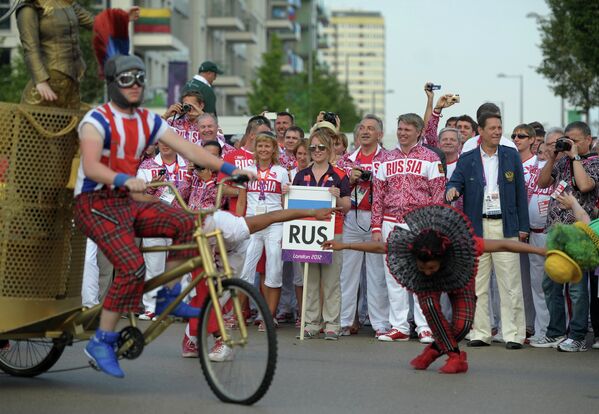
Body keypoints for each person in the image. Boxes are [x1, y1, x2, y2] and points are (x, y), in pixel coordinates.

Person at [73, 54, 254, 378]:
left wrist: (230, 169)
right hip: (95, 201)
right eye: (127, 79)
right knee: (131, 266)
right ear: (113, 83)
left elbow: (192, 150)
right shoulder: (96, 119)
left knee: (186, 222)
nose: (135, 85)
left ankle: (166, 295)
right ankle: (100, 341)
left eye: (140, 78)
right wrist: (122, 179)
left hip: (125, 200)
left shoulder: (147, 120)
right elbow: (90, 166)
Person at [323, 204, 546, 373]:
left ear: (442, 258)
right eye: (423, 266)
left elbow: (505, 244)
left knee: (463, 325)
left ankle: (434, 350)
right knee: (430, 305)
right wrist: (344, 245)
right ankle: (455, 356)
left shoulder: (462, 248)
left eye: (430, 267)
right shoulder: (413, 253)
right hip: (426, 287)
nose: (427, 270)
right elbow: (380, 246)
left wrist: (539, 251)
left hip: (458, 276)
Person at [446, 112, 529, 349]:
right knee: (478, 284)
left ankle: (513, 334)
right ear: (480, 131)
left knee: (510, 283)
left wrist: (523, 227)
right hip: (478, 227)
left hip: (506, 227)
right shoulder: (468, 158)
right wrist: (451, 190)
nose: (497, 131)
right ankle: (480, 332)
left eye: (499, 127)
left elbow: (520, 194)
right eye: (492, 128)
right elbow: (455, 182)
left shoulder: (511, 156)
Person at [371, 113, 446, 343]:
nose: (403, 133)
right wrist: (375, 226)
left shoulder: (431, 158)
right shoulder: (385, 159)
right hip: (390, 222)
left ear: (418, 132)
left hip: (420, 222)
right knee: (394, 275)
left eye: (407, 129)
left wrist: (434, 227)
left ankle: (425, 327)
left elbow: (438, 195)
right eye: (400, 128)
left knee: (421, 274)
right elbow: (378, 195)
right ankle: (400, 326)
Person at [534, 121, 599, 352]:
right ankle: (555, 332)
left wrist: (574, 157)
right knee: (550, 283)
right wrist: (553, 156)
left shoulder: (594, 162)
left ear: (588, 140)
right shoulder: (560, 162)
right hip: (556, 230)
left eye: (575, 140)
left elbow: (584, 186)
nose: (570, 143)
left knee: (576, 288)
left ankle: (578, 336)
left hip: (579, 232)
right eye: (567, 139)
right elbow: (542, 183)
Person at [16, 2, 139, 109]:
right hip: (48, 83)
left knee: (74, 129)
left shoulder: (67, 3)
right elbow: (30, 48)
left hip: (71, 82)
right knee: (34, 131)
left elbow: (95, 22)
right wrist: (40, 81)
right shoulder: (28, 8)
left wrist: (121, 16)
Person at [290, 126, 351, 340]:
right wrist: (287, 193)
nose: (317, 151)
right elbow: (290, 207)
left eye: (321, 147)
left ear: (329, 149)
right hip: (307, 234)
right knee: (310, 281)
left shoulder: (340, 175)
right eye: (313, 147)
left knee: (331, 281)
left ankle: (332, 324)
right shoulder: (300, 175)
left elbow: (347, 206)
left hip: (332, 233)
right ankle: (311, 323)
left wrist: (338, 196)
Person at [336, 115, 390, 337]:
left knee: (377, 274)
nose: (365, 132)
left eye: (371, 128)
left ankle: (380, 324)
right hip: (352, 219)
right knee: (347, 272)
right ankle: (345, 321)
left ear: (380, 134)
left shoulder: (388, 158)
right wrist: (349, 179)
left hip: (379, 219)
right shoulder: (345, 160)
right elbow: (336, 189)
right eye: (362, 128)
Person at [238, 132, 289, 329]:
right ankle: (239, 314)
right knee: (245, 270)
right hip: (252, 222)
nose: (264, 150)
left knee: (274, 268)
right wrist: (238, 224)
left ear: (274, 149)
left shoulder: (281, 171)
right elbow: (241, 200)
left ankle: (269, 316)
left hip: (275, 223)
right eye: (260, 146)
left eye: (268, 146)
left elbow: (285, 202)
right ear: (255, 148)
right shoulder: (246, 170)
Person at [136, 140, 191, 321]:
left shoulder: (187, 164)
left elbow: (192, 193)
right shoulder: (147, 166)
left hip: (180, 222)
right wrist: (151, 187)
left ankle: (179, 305)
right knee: (154, 267)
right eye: (162, 142)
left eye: (170, 142)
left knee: (181, 268)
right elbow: (138, 197)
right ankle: (151, 307)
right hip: (154, 221)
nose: (166, 145)